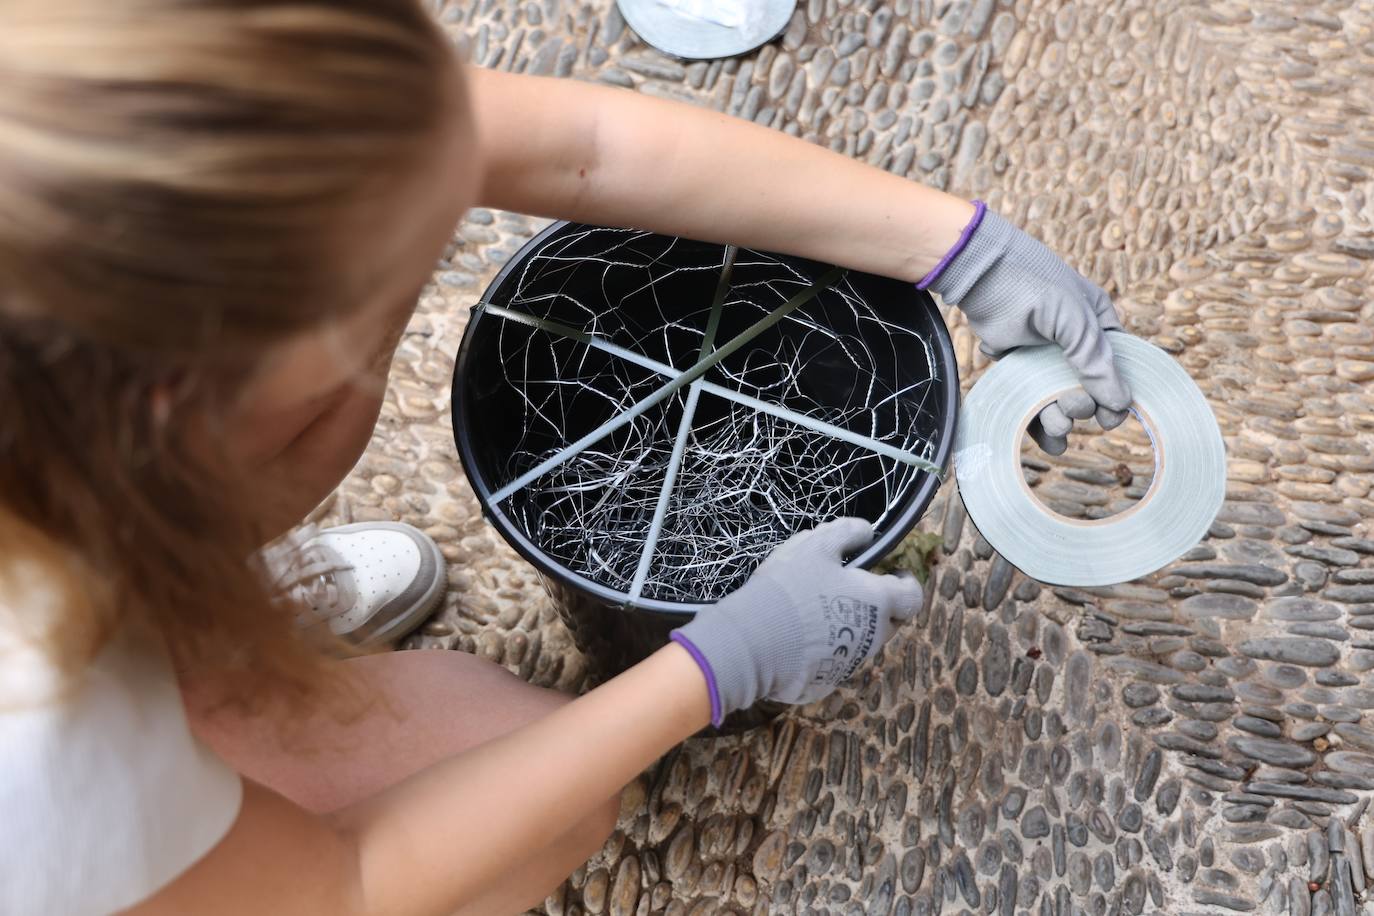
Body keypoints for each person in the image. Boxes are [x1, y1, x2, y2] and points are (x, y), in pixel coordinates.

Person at [0, 1, 1132, 913]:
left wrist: (960, 248)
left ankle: (190, 618)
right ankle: (169, 683)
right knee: (532, 773)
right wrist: (717, 664)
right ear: (167, 407)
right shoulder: (34, 732)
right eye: (376, 301)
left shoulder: (106, 113)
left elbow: (584, 148)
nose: (425, 264)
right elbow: (344, 886)